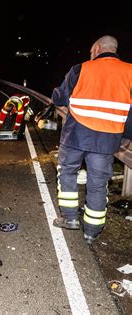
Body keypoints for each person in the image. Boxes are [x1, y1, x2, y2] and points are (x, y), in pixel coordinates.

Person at [50, 35, 132, 243]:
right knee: (98, 183)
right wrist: (126, 137)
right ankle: (91, 231)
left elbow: (59, 98)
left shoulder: (80, 69)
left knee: (67, 172)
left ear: (96, 49)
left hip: (76, 134)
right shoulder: (130, 72)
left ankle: (69, 219)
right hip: (107, 139)